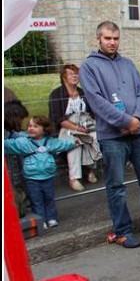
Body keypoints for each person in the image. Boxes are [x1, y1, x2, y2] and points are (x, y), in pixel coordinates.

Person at [79, 20, 140, 249]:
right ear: (98, 39)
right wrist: (124, 121)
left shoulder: (128, 64)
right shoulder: (89, 67)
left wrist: (137, 118)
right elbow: (96, 101)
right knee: (116, 186)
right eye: (107, 38)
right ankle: (122, 231)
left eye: (115, 38)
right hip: (112, 137)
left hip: (138, 132)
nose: (112, 42)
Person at [4, 116, 78, 229]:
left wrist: (73, 143)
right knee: (36, 200)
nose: (31, 128)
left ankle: (51, 218)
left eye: (35, 126)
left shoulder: (50, 142)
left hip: (48, 176)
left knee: (49, 198)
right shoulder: (24, 142)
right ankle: (41, 219)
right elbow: (10, 144)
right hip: (32, 178)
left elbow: (62, 144)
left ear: (44, 129)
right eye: (29, 126)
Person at [48, 64, 102, 192]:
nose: (74, 76)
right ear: (64, 77)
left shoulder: (82, 92)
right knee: (74, 143)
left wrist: (88, 127)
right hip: (67, 127)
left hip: (86, 123)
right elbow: (58, 119)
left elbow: (92, 112)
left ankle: (89, 169)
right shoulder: (56, 94)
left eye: (76, 73)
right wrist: (77, 128)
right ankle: (74, 178)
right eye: (70, 74)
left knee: (94, 137)